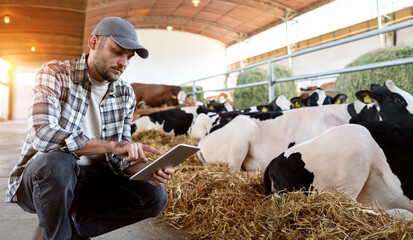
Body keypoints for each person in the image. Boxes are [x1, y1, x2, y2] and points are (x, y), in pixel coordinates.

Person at [5, 17, 174, 239]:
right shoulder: (55, 73)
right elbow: (42, 135)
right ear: (93, 42)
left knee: (154, 195)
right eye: (117, 52)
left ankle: (69, 230)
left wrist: (144, 168)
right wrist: (112, 146)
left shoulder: (125, 93)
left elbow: (119, 159)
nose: (123, 62)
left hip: (90, 180)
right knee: (58, 160)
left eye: (129, 57)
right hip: (42, 180)